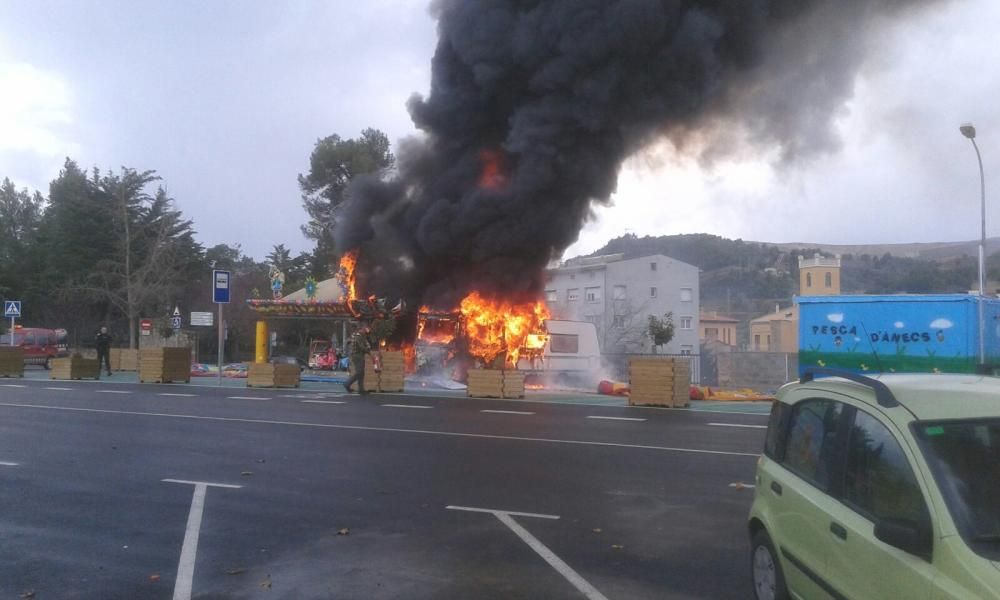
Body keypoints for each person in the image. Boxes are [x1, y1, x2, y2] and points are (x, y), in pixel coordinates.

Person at [344, 325, 372, 395]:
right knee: (359, 372)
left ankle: (361, 390)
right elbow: (361, 347)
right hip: (357, 356)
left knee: (361, 373)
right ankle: (347, 384)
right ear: (361, 329)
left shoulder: (360, 336)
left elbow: (366, 344)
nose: (366, 331)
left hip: (359, 355)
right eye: (365, 330)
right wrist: (369, 352)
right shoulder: (358, 337)